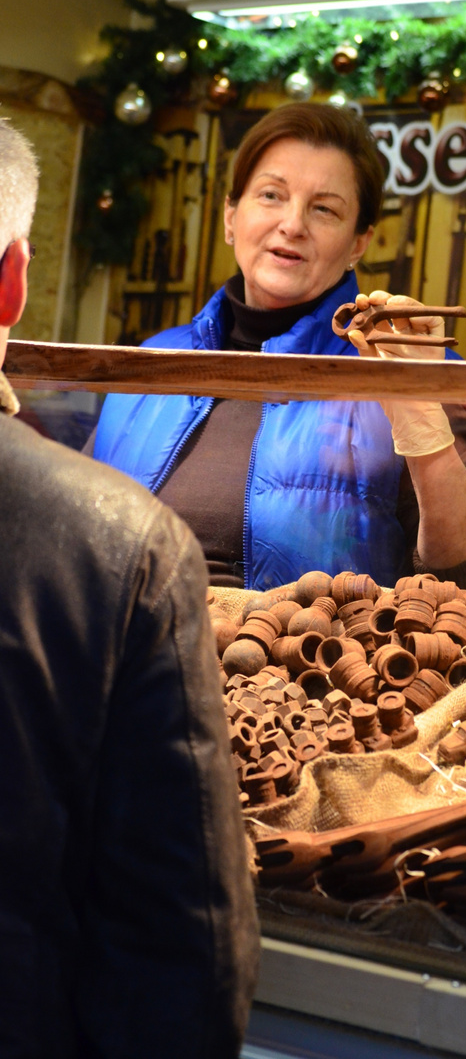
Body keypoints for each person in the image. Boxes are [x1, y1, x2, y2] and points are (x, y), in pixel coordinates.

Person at [0, 120, 259, 1056]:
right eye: (269, 196)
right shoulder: (123, 543)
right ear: (14, 283)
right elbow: (180, 944)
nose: (288, 224)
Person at [88, 102, 466, 594]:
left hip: (305, 664)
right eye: (271, 195)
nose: (292, 224)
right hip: (121, 657)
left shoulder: (406, 364)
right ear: (231, 216)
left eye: (324, 209)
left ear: (359, 243)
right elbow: (73, 528)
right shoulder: (153, 359)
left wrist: (418, 413)